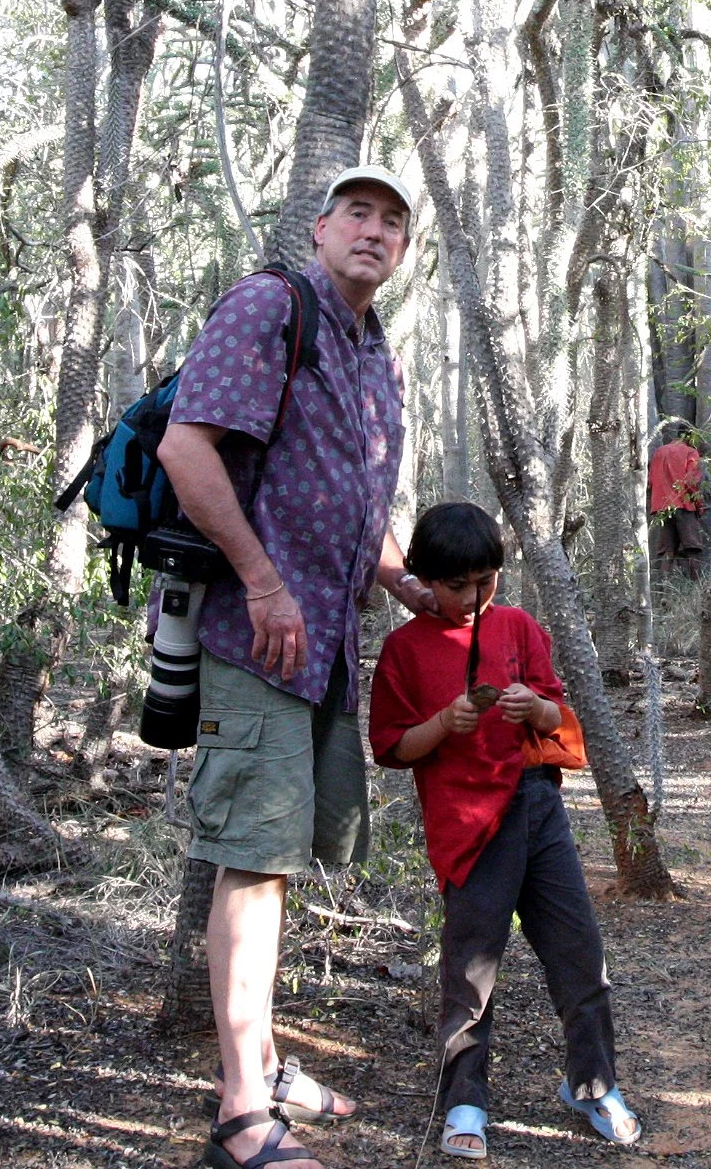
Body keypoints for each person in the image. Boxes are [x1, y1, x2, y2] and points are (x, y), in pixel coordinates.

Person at [157, 166, 437, 1169]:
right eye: (356, 212)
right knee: (253, 865)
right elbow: (188, 453)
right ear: (318, 228)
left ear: (403, 250)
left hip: (324, 643)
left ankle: (264, 1061)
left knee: (280, 862)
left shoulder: (372, 349)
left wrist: (410, 587)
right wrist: (263, 581)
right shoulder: (270, 306)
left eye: (392, 221)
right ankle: (240, 1114)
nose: (373, 230)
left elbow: (356, 500)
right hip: (254, 634)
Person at [369, 501, 640, 1160]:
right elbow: (391, 746)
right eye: (453, 585)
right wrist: (442, 726)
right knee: (470, 968)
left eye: (484, 581)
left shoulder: (517, 627)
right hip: (467, 826)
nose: (470, 597)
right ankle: (463, 1098)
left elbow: (559, 718)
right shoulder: (404, 650)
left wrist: (538, 706)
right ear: (421, 581)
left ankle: (592, 1082)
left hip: (535, 810)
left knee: (578, 953)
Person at [647, 423, 706, 580]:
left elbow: (650, 481)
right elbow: (691, 482)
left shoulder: (659, 452)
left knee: (667, 551)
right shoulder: (690, 452)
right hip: (683, 506)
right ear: (690, 437)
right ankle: (697, 588)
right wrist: (699, 505)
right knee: (693, 548)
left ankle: (664, 591)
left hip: (660, 508)